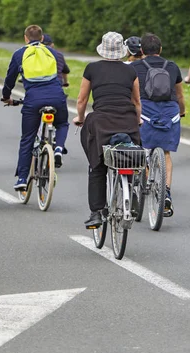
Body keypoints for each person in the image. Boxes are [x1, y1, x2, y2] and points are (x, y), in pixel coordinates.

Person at [73, 32, 141, 228]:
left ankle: (96, 212)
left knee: (97, 164)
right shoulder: (131, 71)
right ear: (122, 51)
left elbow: (82, 100)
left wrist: (81, 117)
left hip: (101, 121)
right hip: (127, 120)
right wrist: (136, 121)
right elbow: (136, 101)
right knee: (131, 154)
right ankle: (133, 189)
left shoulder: (92, 68)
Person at [2, 24, 69, 188]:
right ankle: (59, 148)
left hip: (33, 99)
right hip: (56, 96)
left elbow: (10, 79)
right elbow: (61, 74)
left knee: (27, 139)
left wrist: (6, 96)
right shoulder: (52, 52)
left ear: (25, 38)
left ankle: (22, 179)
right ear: (42, 38)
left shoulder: (19, 54)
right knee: (62, 123)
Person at [131, 33, 185, 216]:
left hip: (145, 112)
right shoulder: (172, 66)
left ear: (141, 50)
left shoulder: (134, 67)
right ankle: (166, 191)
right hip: (170, 112)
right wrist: (182, 111)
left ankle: (145, 180)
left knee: (141, 149)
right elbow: (179, 95)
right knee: (166, 153)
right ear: (160, 49)